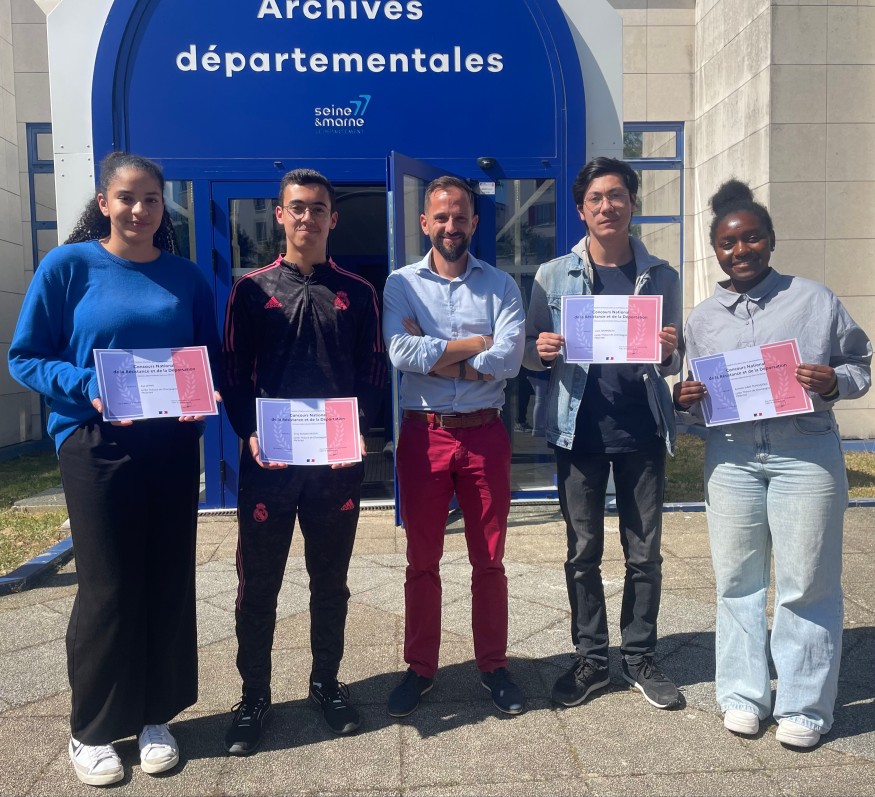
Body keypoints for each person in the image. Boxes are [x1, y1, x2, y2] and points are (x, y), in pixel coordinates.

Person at [8, 152, 221, 786]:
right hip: (95, 442)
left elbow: (205, 355)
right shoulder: (68, 267)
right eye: (126, 197)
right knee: (108, 585)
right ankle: (93, 729)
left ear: (163, 207)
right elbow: (26, 357)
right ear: (104, 202)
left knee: (167, 578)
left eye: (151, 199)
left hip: (171, 445)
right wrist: (86, 385)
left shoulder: (185, 277)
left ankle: (156, 716)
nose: (139, 210)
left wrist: (201, 401)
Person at [673, 180, 872, 747]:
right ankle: (742, 694)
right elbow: (700, 397)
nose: (741, 250)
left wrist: (834, 381)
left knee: (807, 581)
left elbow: (859, 364)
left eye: (752, 238)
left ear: (771, 239)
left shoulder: (814, 299)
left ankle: (804, 706)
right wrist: (685, 400)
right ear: (716, 250)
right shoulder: (703, 318)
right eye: (728, 243)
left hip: (804, 452)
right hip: (732, 457)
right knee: (737, 579)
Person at [221, 168, 385, 753]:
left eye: (318, 208)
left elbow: (373, 369)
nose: (307, 217)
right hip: (270, 465)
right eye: (297, 207)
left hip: (335, 467)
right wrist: (248, 432)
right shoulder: (251, 290)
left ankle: (326, 684)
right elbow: (232, 370)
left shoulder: (359, 292)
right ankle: (254, 696)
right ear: (280, 215)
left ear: (332, 218)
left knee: (331, 582)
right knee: (257, 586)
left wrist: (361, 429)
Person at [524, 157, 682, 710]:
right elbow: (530, 354)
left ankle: (639, 655)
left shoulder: (662, 276)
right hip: (579, 432)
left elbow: (669, 357)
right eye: (596, 198)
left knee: (645, 554)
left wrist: (669, 350)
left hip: (642, 431)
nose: (607, 206)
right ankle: (591, 657)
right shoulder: (552, 275)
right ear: (580, 209)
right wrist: (541, 350)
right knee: (582, 552)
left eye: (617, 195)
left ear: (632, 203)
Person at [381, 176, 526, 717]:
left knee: (489, 560)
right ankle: (420, 668)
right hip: (425, 434)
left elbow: (508, 360)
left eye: (460, 216)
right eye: (440, 217)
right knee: (422, 560)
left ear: (474, 222)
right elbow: (401, 352)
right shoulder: (401, 284)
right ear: (425, 223)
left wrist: (438, 352)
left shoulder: (501, 285)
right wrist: (473, 346)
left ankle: (494, 665)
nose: (450, 225)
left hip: (485, 434)